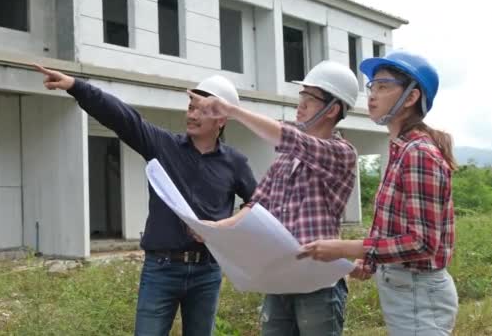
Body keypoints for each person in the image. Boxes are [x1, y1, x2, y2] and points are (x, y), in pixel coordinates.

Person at [34, 64, 257, 336]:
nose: (192, 114)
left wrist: (222, 226)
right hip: (162, 269)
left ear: (221, 119)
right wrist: (75, 85)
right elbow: (123, 117)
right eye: (191, 106)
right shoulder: (163, 146)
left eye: (202, 108)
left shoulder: (235, 163)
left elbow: (257, 204)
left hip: (206, 272)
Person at [189, 60, 359, 335]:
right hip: (280, 277)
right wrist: (213, 228)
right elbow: (258, 204)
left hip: (319, 281)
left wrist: (232, 110)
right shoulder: (285, 158)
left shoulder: (341, 153)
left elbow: (291, 138)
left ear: (333, 109)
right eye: (300, 96)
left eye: (309, 99)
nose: (300, 104)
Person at [297, 50, 458, 335]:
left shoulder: (419, 153)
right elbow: (396, 229)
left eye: (383, 86)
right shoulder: (402, 149)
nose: (371, 95)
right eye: (371, 86)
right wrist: (369, 259)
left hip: (418, 293)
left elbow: (422, 242)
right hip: (406, 288)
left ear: (410, 98)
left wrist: (345, 247)